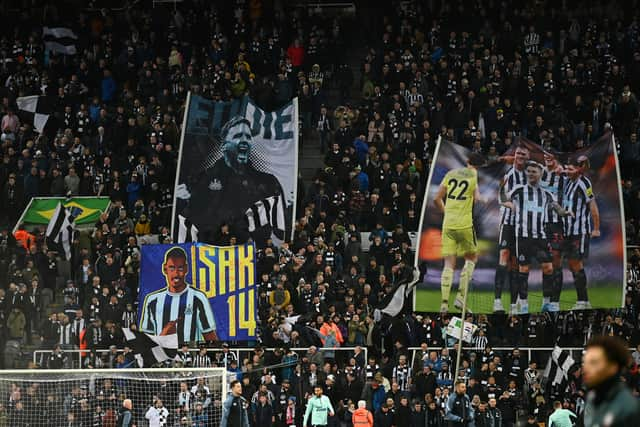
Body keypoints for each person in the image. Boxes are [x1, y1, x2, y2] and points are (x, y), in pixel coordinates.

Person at [176, 115, 286, 246]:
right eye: (238, 136)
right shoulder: (202, 179)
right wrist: (182, 200)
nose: (245, 141)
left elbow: (280, 219)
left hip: (253, 249)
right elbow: (189, 219)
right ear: (224, 145)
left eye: (248, 137)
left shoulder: (268, 182)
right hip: (215, 247)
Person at [500, 161, 571, 314]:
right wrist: (501, 188)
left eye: (534, 171)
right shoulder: (518, 191)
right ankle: (523, 304)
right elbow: (503, 200)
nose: (531, 174)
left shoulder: (546, 194)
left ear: (540, 174)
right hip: (523, 237)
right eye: (529, 171)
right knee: (524, 269)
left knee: (548, 268)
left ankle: (546, 302)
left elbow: (558, 210)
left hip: (541, 238)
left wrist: (566, 213)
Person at [434, 152, 485, 312]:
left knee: (448, 263)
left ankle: (443, 304)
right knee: (471, 258)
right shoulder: (473, 175)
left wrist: (447, 213)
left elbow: (436, 199)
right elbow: (477, 197)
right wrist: (482, 198)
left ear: (467, 160)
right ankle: (460, 298)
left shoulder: (451, 174)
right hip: (464, 225)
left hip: (448, 225)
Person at [139, 246, 218, 343]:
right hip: (164, 356)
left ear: (186, 269)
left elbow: (209, 335)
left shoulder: (198, 297)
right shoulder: (152, 300)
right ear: (165, 269)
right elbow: (147, 338)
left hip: (189, 356)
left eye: (180, 268)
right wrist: (164, 335)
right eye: (172, 268)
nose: (176, 274)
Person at [493, 145, 529, 312]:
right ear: (514, 156)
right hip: (508, 222)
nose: (520, 156)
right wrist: (509, 204)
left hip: (522, 227)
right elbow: (499, 196)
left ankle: (514, 304)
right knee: (504, 256)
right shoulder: (508, 175)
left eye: (523, 154)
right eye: (518, 153)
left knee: (516, 264)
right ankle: (497, 301)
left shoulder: (531, 175)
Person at [562, 155, 601, 309]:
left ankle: (583, 301)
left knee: (576, 263)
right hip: (569, 231)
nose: (567, 171)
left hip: (580, 230)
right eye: (566, 168)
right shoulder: (568, 183)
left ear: (578, 169)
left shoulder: (584, 183)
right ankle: (582, 300)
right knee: (573, 264)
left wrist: (596, 228)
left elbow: (593, 206)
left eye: (570, 169)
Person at [582, 336, 640, 427]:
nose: (585, 368)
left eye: (593, 362)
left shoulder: (628, 408)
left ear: (612, 367)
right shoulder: (592, 397)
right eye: (585, 362)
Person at [539, 151, 568, 312]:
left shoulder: (563, 177)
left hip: (558, 225)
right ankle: (546, 300)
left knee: (556, 263)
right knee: (546, 264)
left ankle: (555, 302)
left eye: (550, 157)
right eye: (545, 157)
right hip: (543, 225)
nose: (547, 160)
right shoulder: (540, 174)